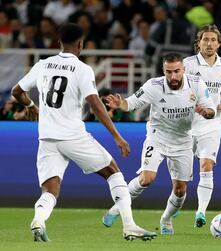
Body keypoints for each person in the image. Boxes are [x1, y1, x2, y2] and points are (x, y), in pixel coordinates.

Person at [11, 23, 156, 242]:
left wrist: (31, 106)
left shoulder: (43, 65)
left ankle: (39, 219)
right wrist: (116, 136)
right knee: (113, 172)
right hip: (73, 136)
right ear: (81, 44)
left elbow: (16, 91)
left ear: (58, 42)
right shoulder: (82, 69)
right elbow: (96, 105)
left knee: (50, 188)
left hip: (47, 138)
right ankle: (129, 226)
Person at [102, 52, 216, 235]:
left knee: (180, 190)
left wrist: (205, 113)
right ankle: (117, 209)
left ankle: (166, 218)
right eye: (168, 72)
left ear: (183, 69)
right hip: (158, 137)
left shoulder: (196, 84)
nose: (172, 76)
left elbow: (212, 110)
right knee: (147, 179)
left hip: (184, 140)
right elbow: (130, 103)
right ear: (164, 70)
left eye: (176, 71)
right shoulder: (153, 85)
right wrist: (120, 104)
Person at [183, 24, 221, 228]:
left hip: (212, 123)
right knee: (181, 177)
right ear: (198, 43)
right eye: (205, 39)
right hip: (186, 123)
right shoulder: (189, 63)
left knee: (206, 165)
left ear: (219, 43)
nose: (209, 43)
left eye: (213, 40)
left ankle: (200, 212)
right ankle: (172, 209)